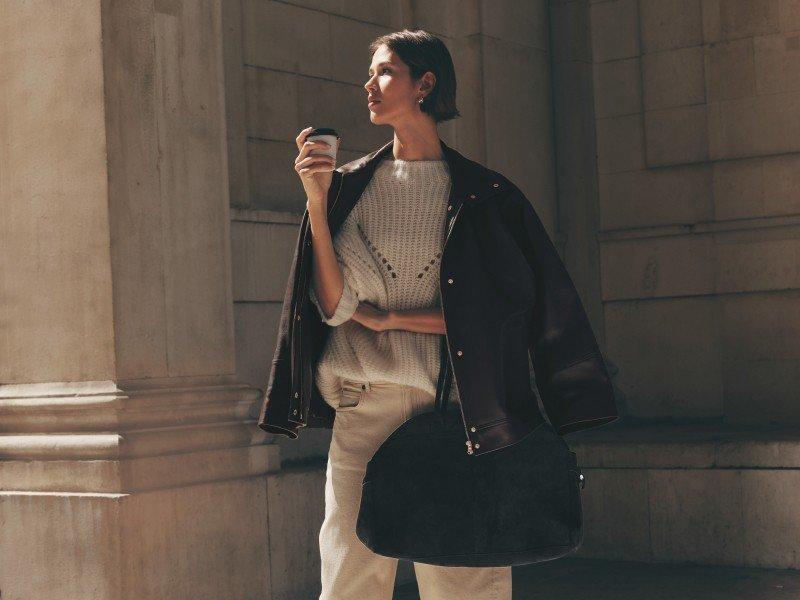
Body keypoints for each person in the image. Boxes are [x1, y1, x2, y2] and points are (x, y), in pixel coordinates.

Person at [294, 29, 514, 600]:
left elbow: (491, 316)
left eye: (385, 71)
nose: (369, 84)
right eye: (370, 73)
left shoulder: (479, 192)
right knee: (350, 578)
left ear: (426, 83)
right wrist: (316, 199)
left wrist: (393, 321)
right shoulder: (350, 188)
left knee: (465, 578)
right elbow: (336, 305)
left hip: (455, 407)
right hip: (364, 406)